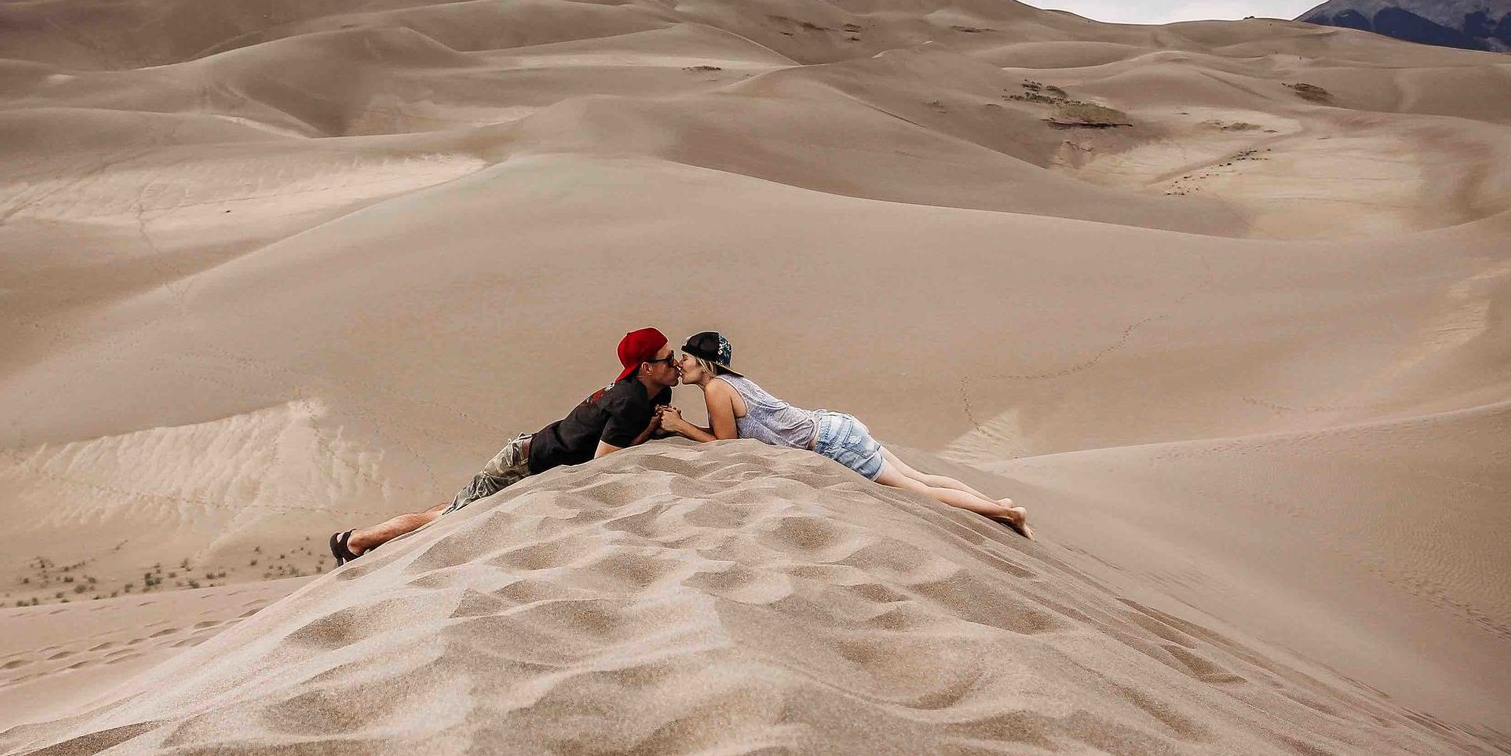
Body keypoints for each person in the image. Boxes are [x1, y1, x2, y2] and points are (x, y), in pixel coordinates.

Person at [330, 327, 680, 563]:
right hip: (523, 463)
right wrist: (650, 431)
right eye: (668, 358)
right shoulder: (631, 400)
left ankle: (360, 538)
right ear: (646, 367)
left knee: (452, 507)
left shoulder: (655, 390)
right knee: (445, 519)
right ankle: (354, 541)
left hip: (533, 457)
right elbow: (604, 461)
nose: (676, 362)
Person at [656, 330, 1032, 537]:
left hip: (835, 444)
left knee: (923, 491)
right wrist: (686, 425)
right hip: (837, 426)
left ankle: (1005, 513)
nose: (680, 365)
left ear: (704, 364)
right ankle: (998, 501)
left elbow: (727, 445)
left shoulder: (718, 390)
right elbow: (727, 433)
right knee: (923, 476)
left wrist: (679, 427)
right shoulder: (731, 382)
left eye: (685, 359)